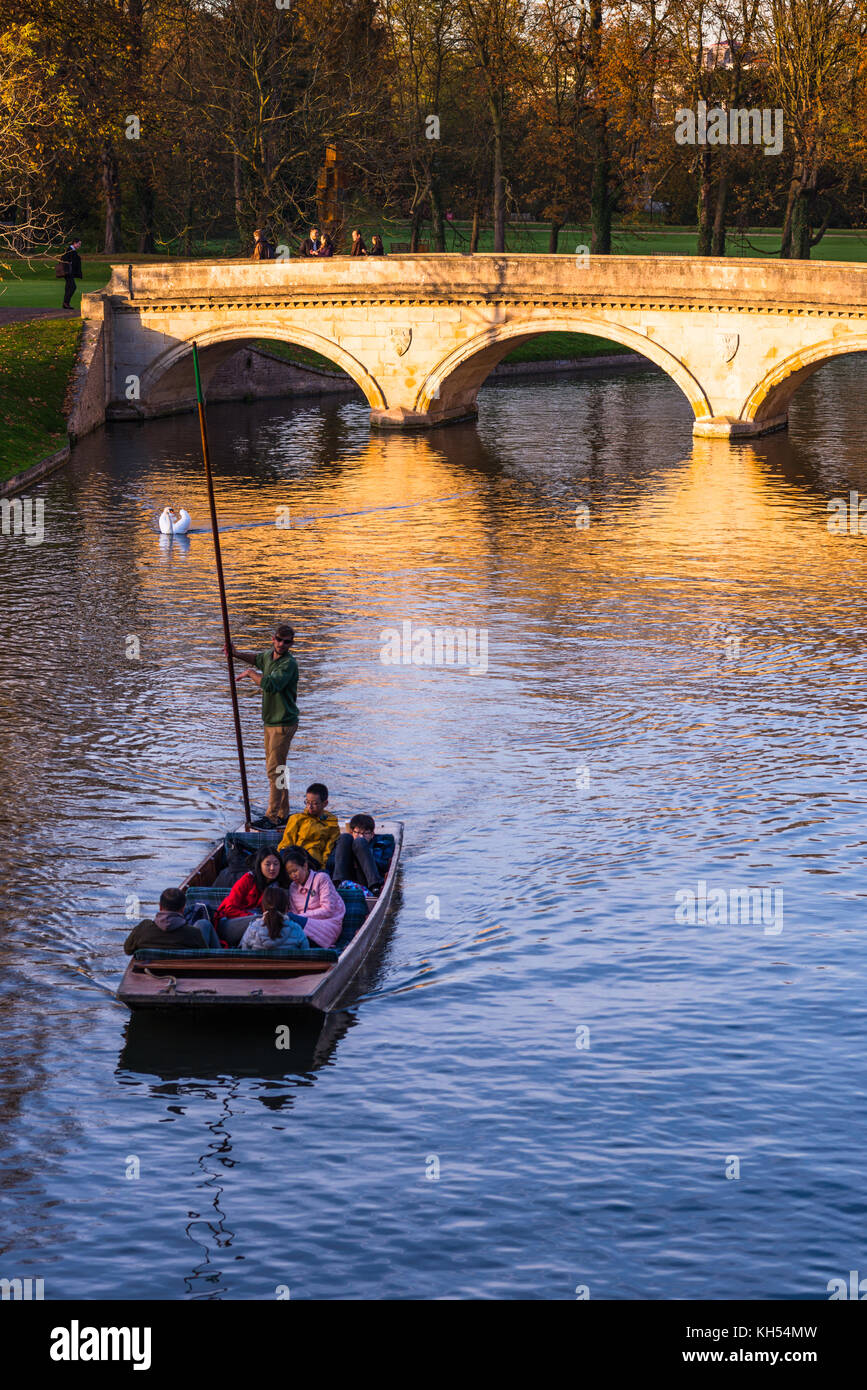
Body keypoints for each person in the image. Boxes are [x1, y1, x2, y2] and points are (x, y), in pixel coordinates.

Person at [227, 624, 299, 827]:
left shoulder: (289, 665)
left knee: (274, 770)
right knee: (280, 769)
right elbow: (257, 659)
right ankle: (284, 811)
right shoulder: (268, 656)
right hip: (270, 722)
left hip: (283, 723)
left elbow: (269, 684)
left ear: (291, 644)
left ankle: (272, 816)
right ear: (273, 639)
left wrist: (250, 673)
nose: (282, 644)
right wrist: (236, 654)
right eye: (279, 639)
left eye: (287, 642)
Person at [215, 846, 290, 945]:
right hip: (230, 923)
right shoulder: (247, 879)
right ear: (259, 865)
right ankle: (242, 949)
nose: (272, 868)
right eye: (268, 864)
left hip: (262, 925)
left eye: (276, 864)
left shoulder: (279, 886)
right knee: (260, 922)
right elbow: (229, 909)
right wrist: (255, 917)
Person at [281, 847, 346, 948]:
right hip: (301, 926)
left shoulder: (321, 878)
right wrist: (297, 918)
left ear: (305, 866)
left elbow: (328, 910)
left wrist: (300, 917)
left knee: (287, 919)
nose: (293, 875)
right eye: (290, 873)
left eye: (295, 870)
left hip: (327, 925)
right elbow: (293, 912)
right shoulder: (293, 887)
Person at [123, 887, 221, 953]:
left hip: (153, 974)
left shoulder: (143, 929)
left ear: (160, 907)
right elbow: (205, 956)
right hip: (187, 976)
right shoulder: (193, 933)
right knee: (204, 924)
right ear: (183, 909)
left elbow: (127, 950)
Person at [278, 782, 339, 867]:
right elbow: (287, 842)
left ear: (325, 803)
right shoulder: (297, 818)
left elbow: (328, 849)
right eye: (307, 802)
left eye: (314, 803)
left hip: (313, 861)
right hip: (293, 857)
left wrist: (323, 867)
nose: (310, 807)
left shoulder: (331, 823)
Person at [239, 884, 312, 951]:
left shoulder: (252, 929)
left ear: (263, 907)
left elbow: (245, 952)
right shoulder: (297, 930)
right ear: (286, 908)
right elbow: (306, 955)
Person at [326, 814, 383, 894]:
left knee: (360, 842)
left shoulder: (378, 845)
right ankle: (338, 884)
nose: (361, 836)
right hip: (345, 878)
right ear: (351, 832)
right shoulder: (344, 844)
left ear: (372, 834)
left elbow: (382, 865)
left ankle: (375, 887)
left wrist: (362, 855)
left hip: (366, 880)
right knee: (345, 837)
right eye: (357, 833)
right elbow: (330, 864)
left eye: (365, 833)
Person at [60, 238, 83, 310]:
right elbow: (63, 259)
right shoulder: (69, 250)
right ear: (74, 243)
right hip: (67, 272)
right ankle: (66, 303)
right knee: (72, 287)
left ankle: (66, 303)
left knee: (68, 287)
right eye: (79, 244)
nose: (79, 245)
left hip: (69, 272)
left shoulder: (72, 250)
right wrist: (69, 262)